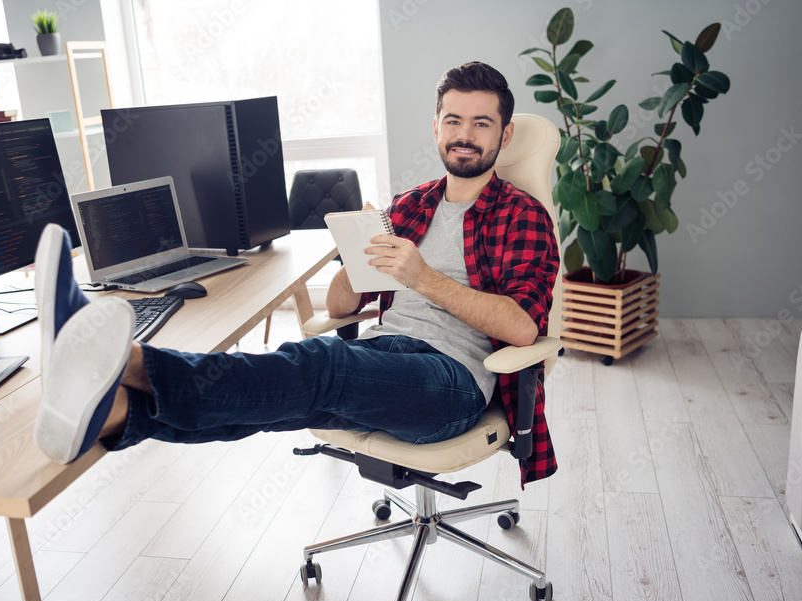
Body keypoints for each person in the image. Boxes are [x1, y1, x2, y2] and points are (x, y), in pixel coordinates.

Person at [32, 61, 560, 486]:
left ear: (504, 134)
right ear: (437, 125)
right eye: (454, 120)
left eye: (481, 123)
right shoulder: (410, 206)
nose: (464, 135)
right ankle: (118, 415)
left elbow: (521, 329)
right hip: (385, 351)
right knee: (284, 395)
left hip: (454, 384)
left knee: (317, 366)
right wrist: (359, 256)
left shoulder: (522, 214)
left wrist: (422, 278)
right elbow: (338, 308)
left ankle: (128, 361)